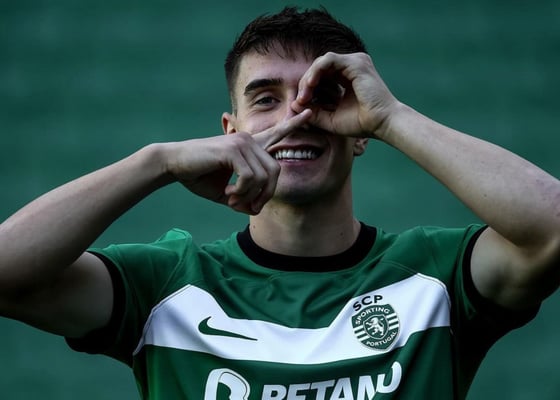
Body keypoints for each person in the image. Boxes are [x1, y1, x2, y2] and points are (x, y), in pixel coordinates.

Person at [0, 6, 559, 399]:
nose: (296, 116)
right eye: (266, 98)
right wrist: (158, 162)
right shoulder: (166, 285)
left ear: (362, 133)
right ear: (229, 131)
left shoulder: (436, 278)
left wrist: (392, 117)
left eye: (324, 95)